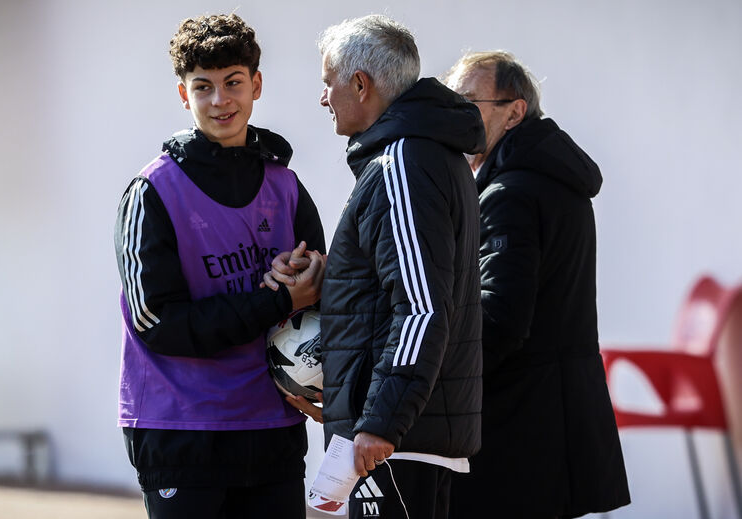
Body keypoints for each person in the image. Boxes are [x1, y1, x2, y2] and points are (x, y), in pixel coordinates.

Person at [267, 15, 485, 519]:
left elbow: (421, 308)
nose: (323, 98)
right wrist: (331, 276)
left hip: (395, 441)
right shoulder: (424, 156)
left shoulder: (402, 164)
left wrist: (382, 420)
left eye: (329, 82)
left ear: (361, 85)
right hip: (403, 433)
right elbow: (406, 285)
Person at [113, 13, 325, 519]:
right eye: (202, 87)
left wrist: (304, 277)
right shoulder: (151, 192)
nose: (219, 100)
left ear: (256, 85)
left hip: (272, 426)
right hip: (181, 431)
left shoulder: (286, 186)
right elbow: (157, 323)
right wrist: (273, 300)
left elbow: (319, 301)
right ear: (183, 95)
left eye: (233, 83)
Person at [443, 51, 630, 518]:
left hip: (522, 430)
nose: (457, 115)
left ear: (514, 112)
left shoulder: (511, 194)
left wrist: (439, 384)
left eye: (469, 102)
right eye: (452, 102)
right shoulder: (547, 179)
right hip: (556, 421)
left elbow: (500, 318)